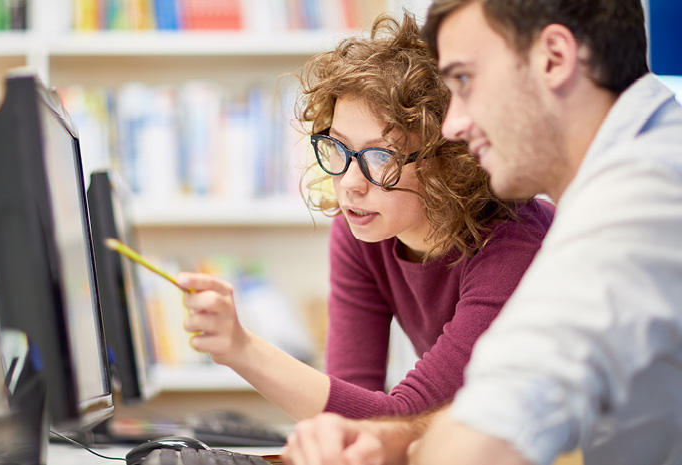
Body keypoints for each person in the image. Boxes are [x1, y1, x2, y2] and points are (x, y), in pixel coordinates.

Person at [282, 1, 682, 464]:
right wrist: (398, 437)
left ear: (554, 58)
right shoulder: (634, 172)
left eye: (466, 81)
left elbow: (501, 423)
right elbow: (521, 379)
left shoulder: (644, 196)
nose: (452, 127)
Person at [176, 12, 553, 422]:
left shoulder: (514, 247)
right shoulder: (362, 229)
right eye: (338, 148)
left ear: (450, 162)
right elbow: (351, 405)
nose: (351, 183)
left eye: (380, 156)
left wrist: (243, 350)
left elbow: (398, 417)